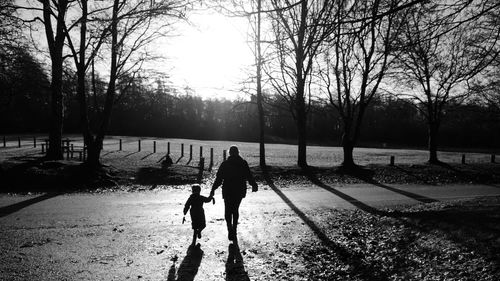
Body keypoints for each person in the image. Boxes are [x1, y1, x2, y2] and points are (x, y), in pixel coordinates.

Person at [210, 145, 258, 242]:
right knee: (235, 209)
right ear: (238, 152)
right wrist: (253, 185)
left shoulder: (225, 164)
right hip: (239, 189)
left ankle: (229, 228)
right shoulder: (243, 163)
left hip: (228, 189)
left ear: (230, 153)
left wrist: (213, 189)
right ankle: (234, 229)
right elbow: (249, 175)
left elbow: (219, 179)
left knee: (228, 209)